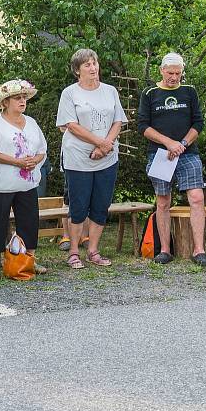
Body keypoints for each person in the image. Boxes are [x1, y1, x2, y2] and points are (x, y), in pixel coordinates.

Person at [138, 53, 206, 266]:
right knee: (163, 200)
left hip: (188, 152)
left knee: (197, 197)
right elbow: (143, 126)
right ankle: (164, 250)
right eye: (170, 73)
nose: (174, 77)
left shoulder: (189, 91)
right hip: (160, 154)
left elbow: (198, 123)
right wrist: (169, 143)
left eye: (178, 73)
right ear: (161, 70)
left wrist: (182, 144)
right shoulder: (150, 93)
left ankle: (199, 250)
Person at [56, 48, 127, 269]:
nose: (93, 68)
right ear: (78, 70)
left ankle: (94, 250)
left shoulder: (110, 91)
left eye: (94, 63)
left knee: (100, 204)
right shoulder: (70, 93)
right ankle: (74, 252)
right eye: (87, 65)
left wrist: (106, 146)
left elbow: (118, 120)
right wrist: (100, 143)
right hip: (79, 158)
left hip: (106, 158)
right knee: (78, 206)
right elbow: (71, 125)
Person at [0, 79, 47, 280]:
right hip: (0, 183)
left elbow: (42, 150)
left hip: (25, 183)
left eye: (24, 97)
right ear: (5, 102)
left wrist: (34, 160)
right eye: (17, 98)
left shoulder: (31, 123)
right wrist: (17, 162)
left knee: (29, 221)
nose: (22, 101)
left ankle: (28, 260)